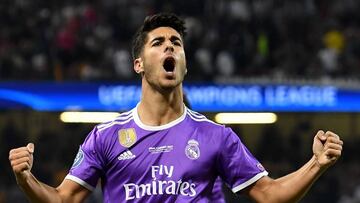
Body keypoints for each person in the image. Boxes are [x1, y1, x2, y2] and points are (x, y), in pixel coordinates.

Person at [9, 13, 343, 203]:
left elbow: (269, 196)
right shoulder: (105, 137)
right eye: (159, 43)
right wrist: (26, 179)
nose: (170, 45)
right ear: (138, 64)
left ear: (183, 64)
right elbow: (63, 200)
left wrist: (317, 163)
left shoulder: (217, 137)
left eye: (177, 44)